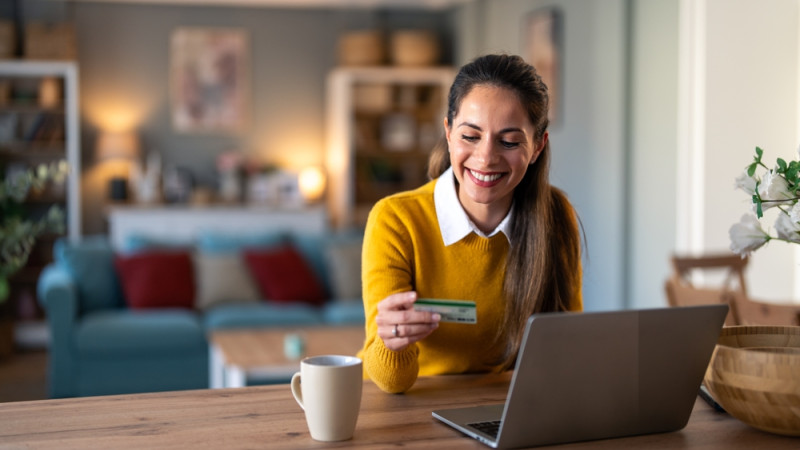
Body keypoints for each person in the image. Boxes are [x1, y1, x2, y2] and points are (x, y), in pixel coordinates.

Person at [358, 54, 583, 394]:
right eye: (470, 136)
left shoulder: (556, 215)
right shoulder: (395, 220)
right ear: (448, 133)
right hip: (411, 402)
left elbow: (565, 351)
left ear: (537, 146)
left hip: (508, 405)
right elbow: (392, 382)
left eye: (509, 141)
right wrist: (394, 343)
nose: (486, 157)